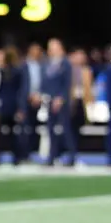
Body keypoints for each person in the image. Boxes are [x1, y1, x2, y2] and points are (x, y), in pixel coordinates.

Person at [42, 38, 76, 166]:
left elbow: (67, 84)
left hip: (61, 102)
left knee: (66, 129)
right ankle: (52, 157)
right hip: (49, 101)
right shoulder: (47, 64)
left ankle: (71, 156)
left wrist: (60, 98)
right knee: (50, 130)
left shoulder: (65, 63)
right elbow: (45, 83)